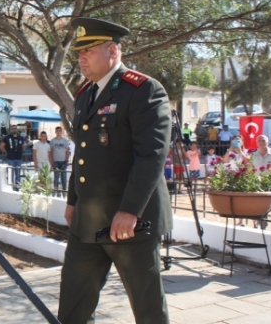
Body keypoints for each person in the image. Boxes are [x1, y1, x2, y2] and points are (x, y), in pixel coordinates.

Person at [59, 17, 172, 324]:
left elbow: (151, 156)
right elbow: (82, 153)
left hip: (129, 224)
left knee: (147, 308)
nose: (81, 57)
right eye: (79, 52)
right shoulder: (85, 95)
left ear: (112, 51)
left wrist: (130, 210)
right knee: (73, 306)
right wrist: (73, 201)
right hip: (88, 220)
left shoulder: (143, 90)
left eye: (89, 50)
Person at [0, 124, 26, 191]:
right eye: (13, 128)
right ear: (11, 130)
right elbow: (1, 147)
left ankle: (17, 188)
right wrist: (7, 152)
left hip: (18, 158)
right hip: (10, 158)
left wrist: (20, 151)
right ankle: (11, 188)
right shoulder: (7, 138)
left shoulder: (21, 138)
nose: (14, 130)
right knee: (11, 174)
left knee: (18, 174)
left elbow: (23, 146)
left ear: (17, 129)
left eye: (15, 128)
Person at [51, 126, 71, 192]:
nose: (58, 132)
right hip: (56, 161)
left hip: (63, 161)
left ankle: (64, 191)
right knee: (56, 177)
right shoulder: (53, 141)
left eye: (60, 131)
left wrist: (67, 160)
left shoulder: (65, 141)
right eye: (57, 131)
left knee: (64, 177)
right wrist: (52, 161)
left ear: (61, 132)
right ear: (55, 132)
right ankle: (56, 190)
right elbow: (51, 151)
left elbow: (67, 151)